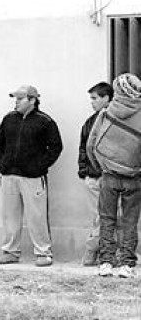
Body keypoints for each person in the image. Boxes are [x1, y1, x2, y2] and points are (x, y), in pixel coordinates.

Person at [0, 85, 63, 267]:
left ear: (32, 100)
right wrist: (3, 164)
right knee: (9, 215)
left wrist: (38, 167)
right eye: (15, 98)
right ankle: (10, 252)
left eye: (20, 98)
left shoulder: (45, 122)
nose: (16, 102)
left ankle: (43, 253)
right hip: (9, 175)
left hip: (33, 178)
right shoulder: (8, 119)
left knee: (37, 216)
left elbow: (55, 147)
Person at [87, 73, 141, 278]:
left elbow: (91, 144)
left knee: (107, 219)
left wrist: (102, 166)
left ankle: (106, 262)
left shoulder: (106, 113)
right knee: (129, 221)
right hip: (134, 177)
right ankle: (127, 264)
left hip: (109, 175)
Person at [78, 82, 114, 266]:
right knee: (99, 216)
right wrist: (85, 172)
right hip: (94, 177)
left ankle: (95, 250)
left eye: (95, 98)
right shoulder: (90, 121)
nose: (91, 102)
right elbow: (83, 148)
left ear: (106, 98)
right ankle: (98, 251)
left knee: (110, 216)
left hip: (111, 176)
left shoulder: (114, 120)